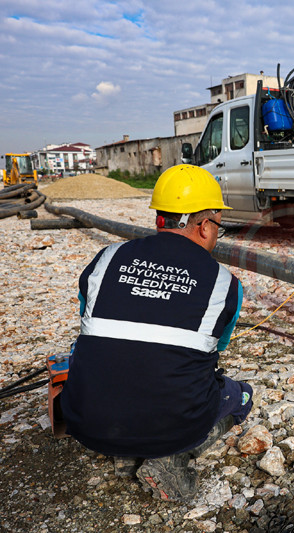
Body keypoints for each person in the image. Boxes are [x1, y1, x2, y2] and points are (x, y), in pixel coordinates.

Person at [61, 164, 253, 502]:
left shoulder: (106, 259)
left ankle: (123, 450)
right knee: (241, 395)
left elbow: (89, 326)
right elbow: (213, 351)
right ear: (205, 225)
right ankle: (174, 456)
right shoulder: (225, 284)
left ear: (159, 218)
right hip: (173, 427)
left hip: (86, 422)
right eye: (218, 226)